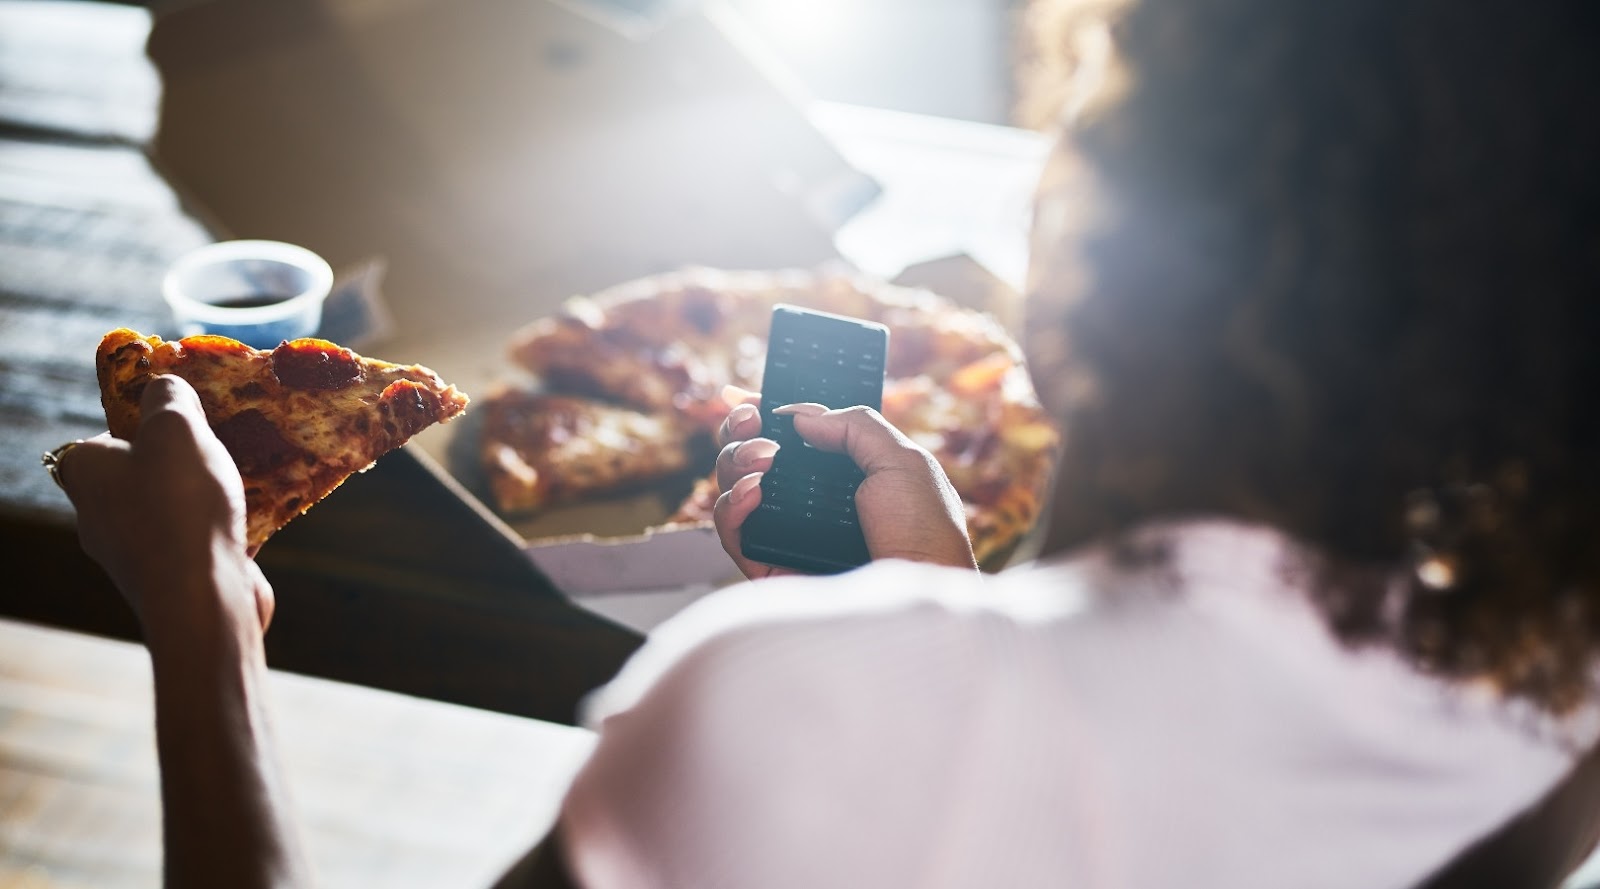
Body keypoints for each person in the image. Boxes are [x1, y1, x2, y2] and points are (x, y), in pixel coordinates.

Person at [50, 0, 1600, 885]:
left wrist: (208, 621)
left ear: (1095, 256)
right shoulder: (1553, 679)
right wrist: (971, 619)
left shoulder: (789, 699)